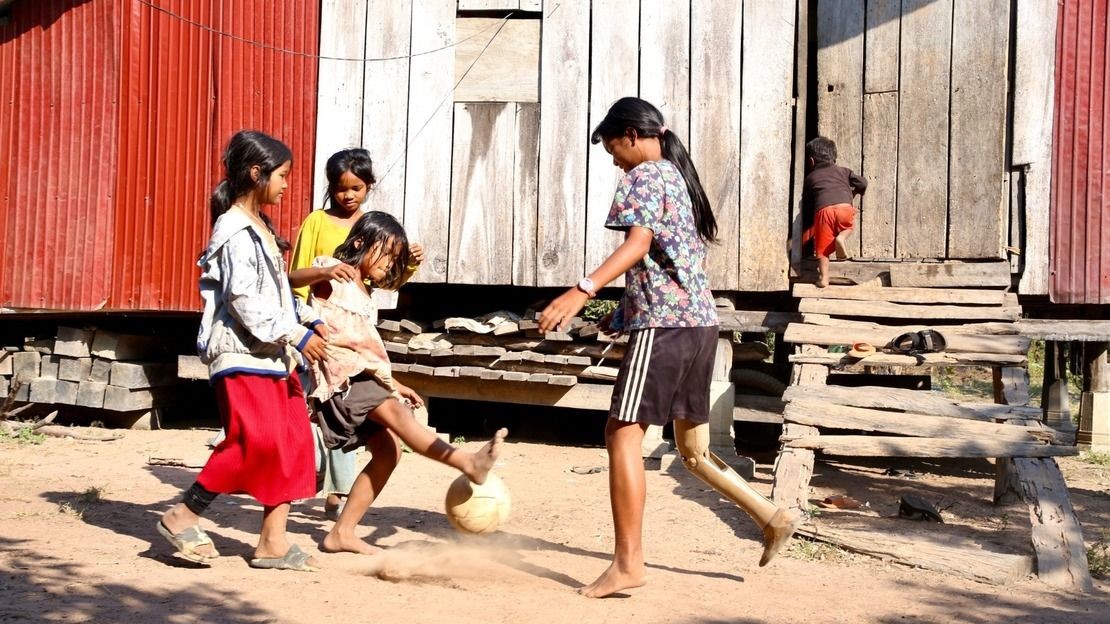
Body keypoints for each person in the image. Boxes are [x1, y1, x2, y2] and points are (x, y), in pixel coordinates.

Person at [538, 97, 801, 599]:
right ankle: (773, 517)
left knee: (621, 435)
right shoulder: (676, 178)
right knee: (694, 452)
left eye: (612, 146)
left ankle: (627, 563)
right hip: (699, 325)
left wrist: (581, 290)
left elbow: (637, 246)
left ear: (632, 135)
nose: (613, 158)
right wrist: (619, 317)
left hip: (666, 327)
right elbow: (664, 265)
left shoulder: (643, 177)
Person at [157, 130, 328, 572]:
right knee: (257, 442)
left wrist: (308, 321)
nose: (288, 185)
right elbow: (244, 300)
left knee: (293, 445)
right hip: (241, 353)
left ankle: (273, 542)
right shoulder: (232, 229)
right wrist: (295, 335)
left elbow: (276, 295)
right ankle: (184, 514)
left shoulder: (263, 229)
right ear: (257, 173)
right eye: (283, 175)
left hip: (272, 354)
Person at [306, 210, 507, 555]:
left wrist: (393, 383)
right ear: (359, 243)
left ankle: (342, 532)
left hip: (362, 376)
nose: (389, 263)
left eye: (395, 258)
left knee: (389, 451)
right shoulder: (332, 275)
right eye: (386, 254)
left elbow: (365, 351)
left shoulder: (365, 294)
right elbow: (293, 276)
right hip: (340, 377)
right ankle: (466, 462)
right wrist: (324, 269)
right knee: (401, 418)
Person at [287, 148, 424, 520]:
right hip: (316, 330)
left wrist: (408, 263)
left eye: (357, 188)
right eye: (341, 188)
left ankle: (338, 495)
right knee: (326, 410)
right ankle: (318, 487)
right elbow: (298, 273)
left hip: (354, 335)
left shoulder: (375, 226)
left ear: (369, 188)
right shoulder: (317, 221)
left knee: (353, 417)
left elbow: (384, 283)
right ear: (331, 188)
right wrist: (299, 324)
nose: (348, 196)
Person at [800, 136, 867, 288]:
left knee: (822, 250)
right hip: (845, 208)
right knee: (848, 227)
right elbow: (863, 182)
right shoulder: (844, 171)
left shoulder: (811, 178)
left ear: (811, 161)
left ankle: (824, 279)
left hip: (824, 211)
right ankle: (842, 237)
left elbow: (808, 202)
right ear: (834, 157)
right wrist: (853, 193)